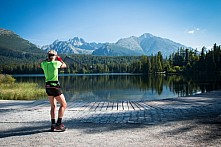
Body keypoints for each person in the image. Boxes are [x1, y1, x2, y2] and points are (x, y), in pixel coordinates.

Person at [40, 50, 67, 132]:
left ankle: (52, 125)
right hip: (55, 87)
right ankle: (58, 124)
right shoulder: (56, 63)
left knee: (53, 106)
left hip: (47, 87)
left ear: (48, 56)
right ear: (54, 56)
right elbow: (65, 65)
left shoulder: (44, 64)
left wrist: (47, 59)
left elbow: (40, 63)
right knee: (64, 104)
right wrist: (59, 59)